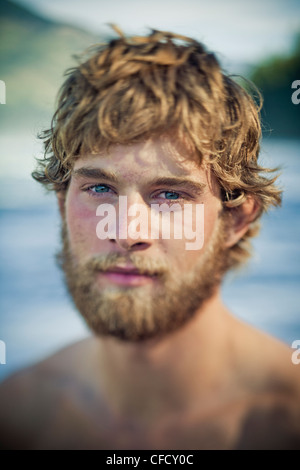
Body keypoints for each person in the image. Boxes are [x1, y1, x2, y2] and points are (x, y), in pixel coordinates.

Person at [0, 27, 299, 450]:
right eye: (100, 189)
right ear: (61, 201)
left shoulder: (287, 422)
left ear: (236, 220)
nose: (125, 233)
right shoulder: (17, 415)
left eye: (170, 194)